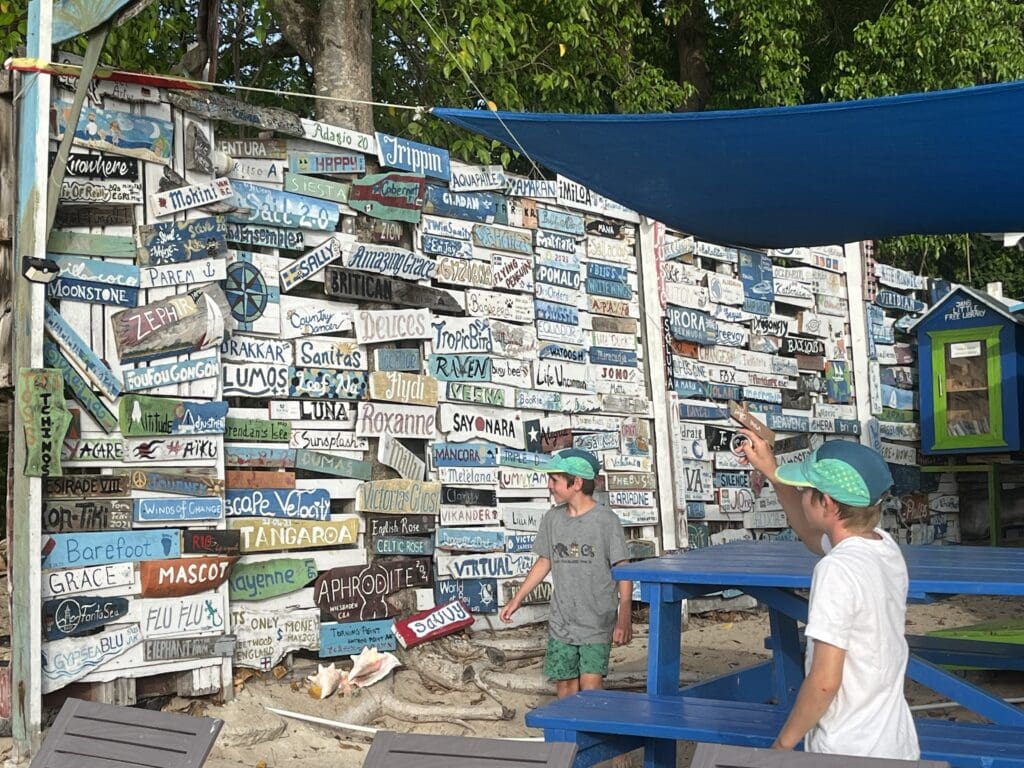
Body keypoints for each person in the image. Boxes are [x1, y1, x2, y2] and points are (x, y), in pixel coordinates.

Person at [738, 431, 920, 759]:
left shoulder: (836, 570)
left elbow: (824, 681)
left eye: (807, 490)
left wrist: (782, 746)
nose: (803, 494)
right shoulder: (883, 547)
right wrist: (773, 473)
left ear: (828, 503)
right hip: (895, 744)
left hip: (847, 749)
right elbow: (810, 534)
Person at [499, 448, 633, 698]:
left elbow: (622, 569)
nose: (550, 486)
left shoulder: (606, 521)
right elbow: (544, 561)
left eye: (555, 480)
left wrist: (624, 614)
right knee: (565, 685)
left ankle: (593, 735)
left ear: (577, 483)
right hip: (562, 620)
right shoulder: (552, 519)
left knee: (592, 687)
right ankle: (568, 737)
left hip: (597, 619)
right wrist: (517, 599)